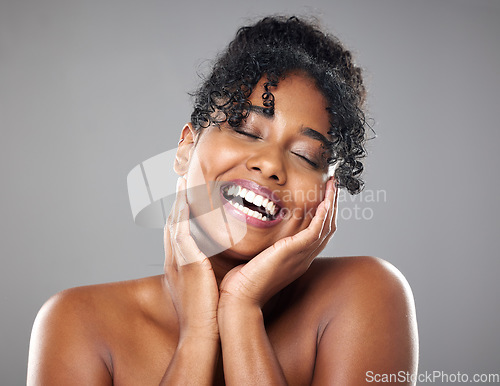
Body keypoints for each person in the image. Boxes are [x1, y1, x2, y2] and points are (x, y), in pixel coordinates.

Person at [27, 16, 418, 385]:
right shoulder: (77, 323)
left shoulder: (364, 296)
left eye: (305, 156)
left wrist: (241, 310)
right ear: (185, 148)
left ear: (326, 194)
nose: (269, 165)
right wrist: (197, 335)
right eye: (246, 131)